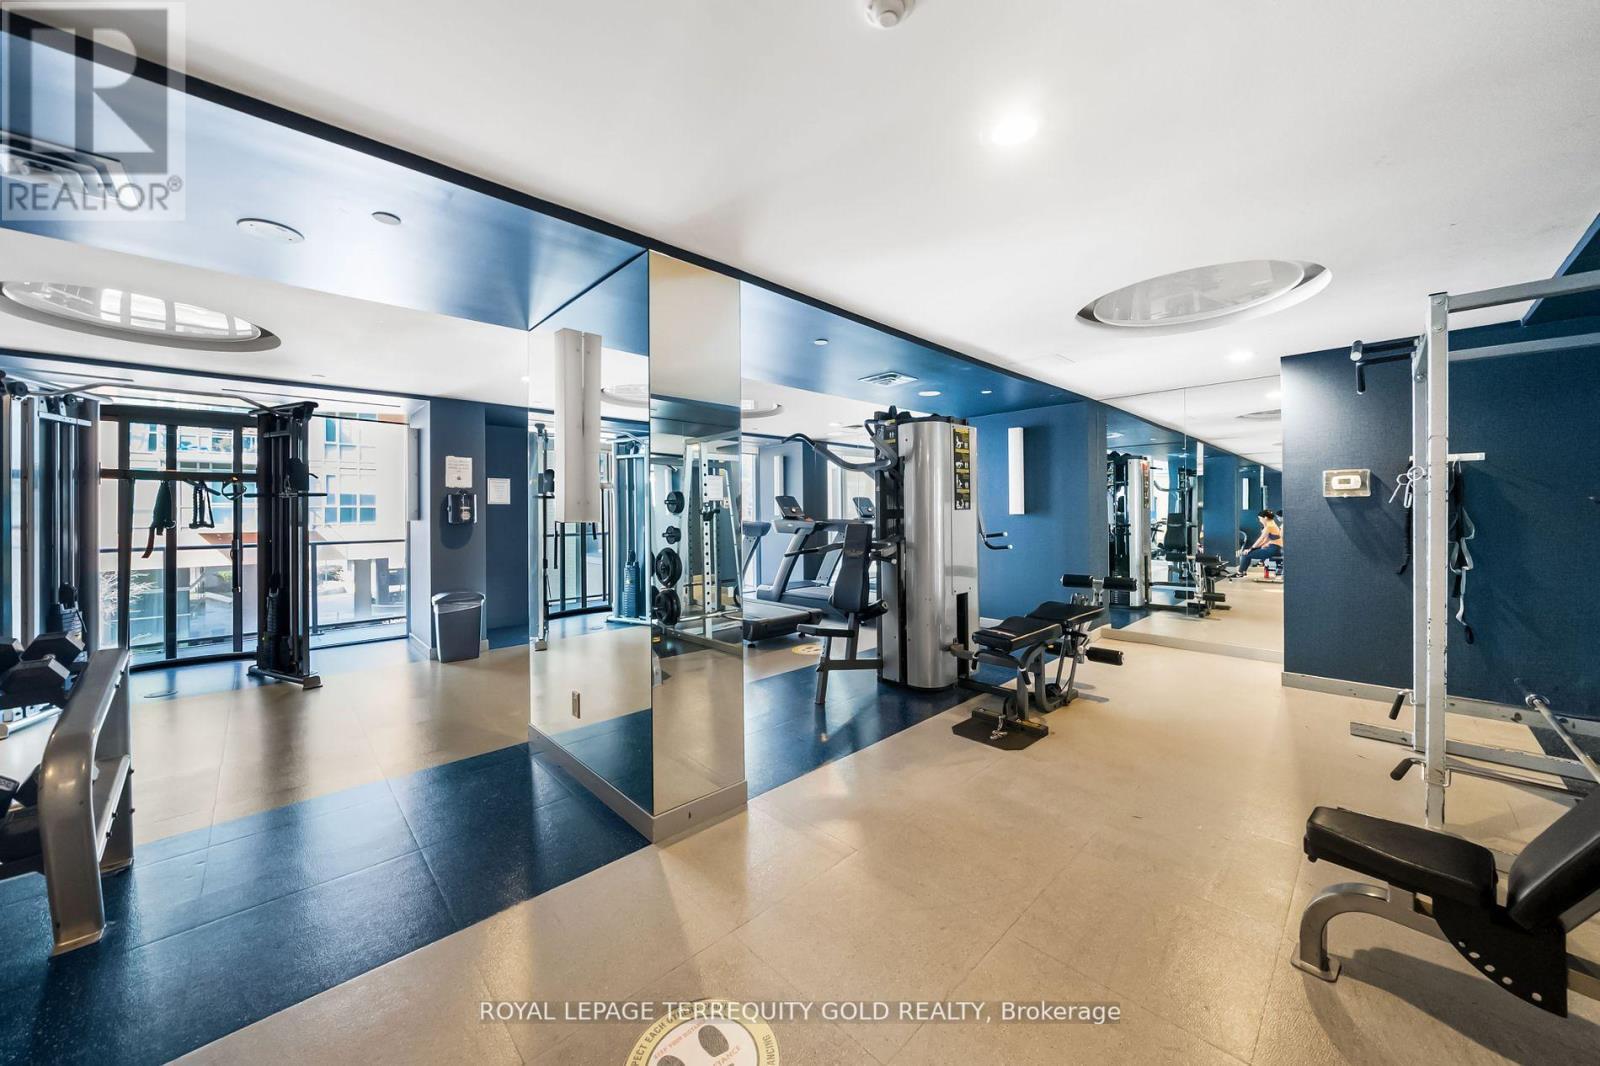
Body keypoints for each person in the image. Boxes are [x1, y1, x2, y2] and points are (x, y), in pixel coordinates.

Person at [1238, 509, 1283, 577]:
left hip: (1273, 549)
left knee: (1246, 554)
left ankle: (1240, 573)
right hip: (1275, 548)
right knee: (1248, 552)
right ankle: (1242, 572)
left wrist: (1251, 549)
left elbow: (1261, 539)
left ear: (1265, 518)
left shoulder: (1269, 526)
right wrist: (1255, 548)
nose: (1260, 520)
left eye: (1260, 518)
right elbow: (1265, 540)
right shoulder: (1273, 524)